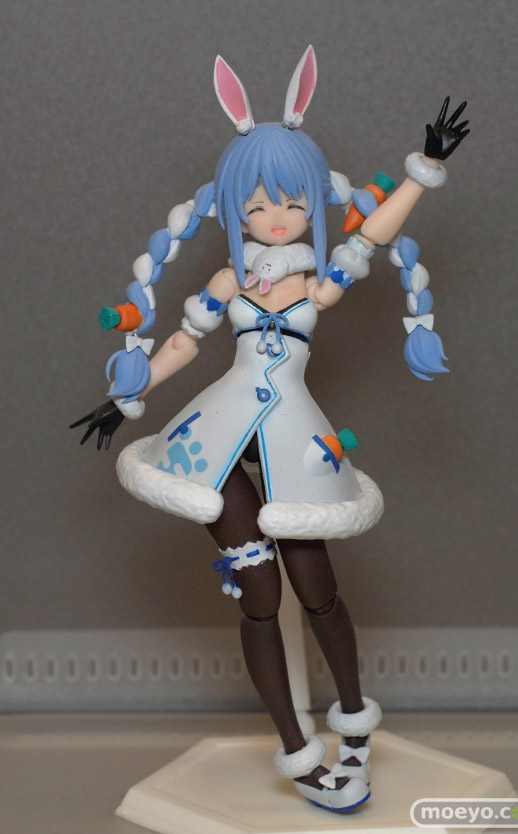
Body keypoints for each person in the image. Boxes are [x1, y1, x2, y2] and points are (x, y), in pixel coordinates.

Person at [72, 47, 469, 812]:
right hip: (216, 440)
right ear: (234, 211)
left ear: (311, 201)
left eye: (289, 201)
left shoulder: (320, 279)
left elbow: (372, 237)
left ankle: (352, 720)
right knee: (259, 593)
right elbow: (184, 342)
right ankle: (297, 750)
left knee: (317, 589)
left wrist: (422, 168)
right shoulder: (229, 280)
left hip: (294, 440)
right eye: (256, 206)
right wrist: (128, 395)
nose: (274, 216)